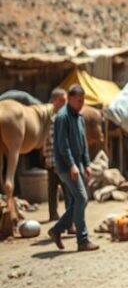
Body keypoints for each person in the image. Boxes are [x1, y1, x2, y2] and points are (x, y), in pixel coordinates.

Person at [48, 85, 99, 252]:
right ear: (70, 99)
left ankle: (56, 230)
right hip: (66, 167)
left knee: (79, 200)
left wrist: (87, 164)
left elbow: (83, 143)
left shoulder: (79, 116)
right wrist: (71, 165)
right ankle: (82, 240)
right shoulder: (62, 117)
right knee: (82, 198)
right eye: (79, 101)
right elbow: (63, 146)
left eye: (83, 101)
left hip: (78, 166)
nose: (82, 104)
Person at [43, 88, 67, 222]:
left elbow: (46, 142)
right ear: (54, 102)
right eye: (62, 100)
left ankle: (54, 215)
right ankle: (68, 222)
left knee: (52, 189)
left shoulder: (51, 119)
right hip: (58, 162)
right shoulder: (57, 119)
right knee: (67, 190)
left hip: (52, 161)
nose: (65, 103)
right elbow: (55, 142)